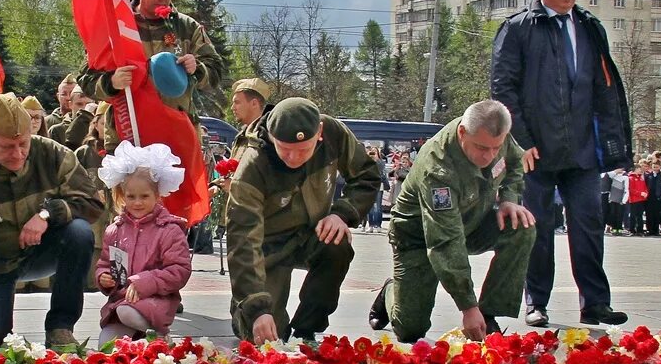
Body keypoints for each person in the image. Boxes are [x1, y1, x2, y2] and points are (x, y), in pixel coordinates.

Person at [490, 0, 631, 328]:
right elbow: (503, 87)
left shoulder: (588, 26)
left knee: (588, 225)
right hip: (536, 149)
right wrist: (520, 140)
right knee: (536, 229)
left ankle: (596, 303)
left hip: (582, 149)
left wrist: (613, 142)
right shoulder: (519, 28)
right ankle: (536, 301)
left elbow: (605, 87)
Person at [368, 101, 535, 342]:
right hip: (419, 235)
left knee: (522, 225)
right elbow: (445, 240)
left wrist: (509, 198)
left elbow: (516, 162)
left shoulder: (498, 137)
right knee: (410, 330)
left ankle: (488, 314)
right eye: (480, 148)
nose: (488, 156)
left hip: (472, 221)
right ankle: (390, 292)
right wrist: (467, 307)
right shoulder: (438, 166)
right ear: (462, 133)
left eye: (494, 148)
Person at [225, 97, 381, 343]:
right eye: (284, 148)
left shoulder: (332, 133)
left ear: (318, 132)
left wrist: (342, 213)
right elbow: (242, 238)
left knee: (337, 246)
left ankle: (307, 329)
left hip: (313, 232)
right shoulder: (253, 165)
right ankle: (245, 312)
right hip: (268, 244)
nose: (293, 158)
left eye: (303, 150)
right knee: (263, 333)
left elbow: (367, 175)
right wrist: (256, 307)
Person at [0, 92, 101, 349]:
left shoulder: (52, 154)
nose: (18, 154)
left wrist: (47, 214)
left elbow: (92, 203)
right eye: (8, 147)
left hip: (43, 251)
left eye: (24, 144)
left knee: (79, 232)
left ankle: (60, 326)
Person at [77, 0, 226, 151]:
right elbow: (85, 78)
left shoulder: (187, 28)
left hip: (176, 133)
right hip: (128, 134)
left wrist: (197, 69)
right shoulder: (115, 28)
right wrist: (111, 82)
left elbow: (216, 70)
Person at [93, 141, 193, 344]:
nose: (137, 202)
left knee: (126, 313)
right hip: (121, 300)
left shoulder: (169, 230)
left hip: (156, 300)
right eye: (131, 196)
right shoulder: (115, 229)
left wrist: (145, 282)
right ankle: (141, 339)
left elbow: (180, 270)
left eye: (144, 196)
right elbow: (105, 263)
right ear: (122, 196)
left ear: (157, 195)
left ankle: (160, 337)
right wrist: (103, 276)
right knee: (105, 344)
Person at [228, 78, 274, 160]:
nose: (232, 108)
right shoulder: (241, 136)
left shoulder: (268, 137)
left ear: (254, 103)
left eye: (237, 102)